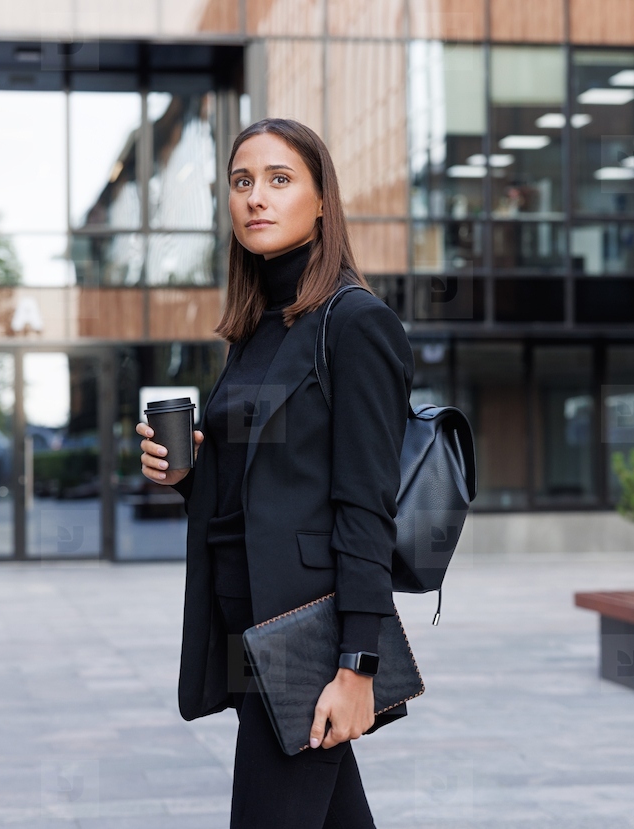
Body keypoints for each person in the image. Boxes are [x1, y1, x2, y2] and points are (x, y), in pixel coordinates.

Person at [136, 118, 414, 829]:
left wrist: (358, 667)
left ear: (322, 201)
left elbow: (363, 509)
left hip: (305, 644)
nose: (256, 196)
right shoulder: (258, 328)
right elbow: (254, 498)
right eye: (242, 181)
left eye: (279, 179)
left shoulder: (355, 324)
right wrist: (187, 474)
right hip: (246, 632)